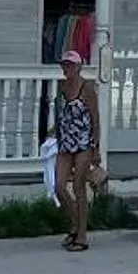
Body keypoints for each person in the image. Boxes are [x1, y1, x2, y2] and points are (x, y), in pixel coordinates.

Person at [49, 45, 105, 251]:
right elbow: (64, 113)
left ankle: (82, 236)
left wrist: (96, 148)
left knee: (79, 187)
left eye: (70, 65)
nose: (67, 69)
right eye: (64, 65)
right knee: (59, 186)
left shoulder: (87, 89)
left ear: (79, 67)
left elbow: (95, 119)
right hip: (66, 143)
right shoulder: (62, 88)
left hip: (83, 144)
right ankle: (75, 224)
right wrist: (54, 129)